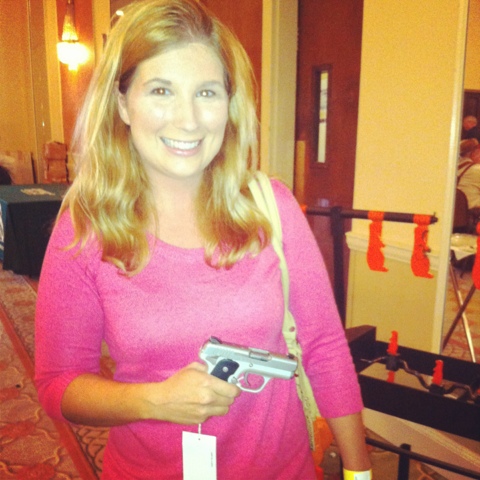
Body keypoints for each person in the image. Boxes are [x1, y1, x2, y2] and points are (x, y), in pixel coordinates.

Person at [35, 1, 371, 478]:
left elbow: (325, 350)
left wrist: (360, 472)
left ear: (229, 104)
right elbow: (57, 385)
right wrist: (153, 400)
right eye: (161, 90)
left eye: (207, 93)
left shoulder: (270, 207)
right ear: (122, 104)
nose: (188, 120)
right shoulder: (85, 227)